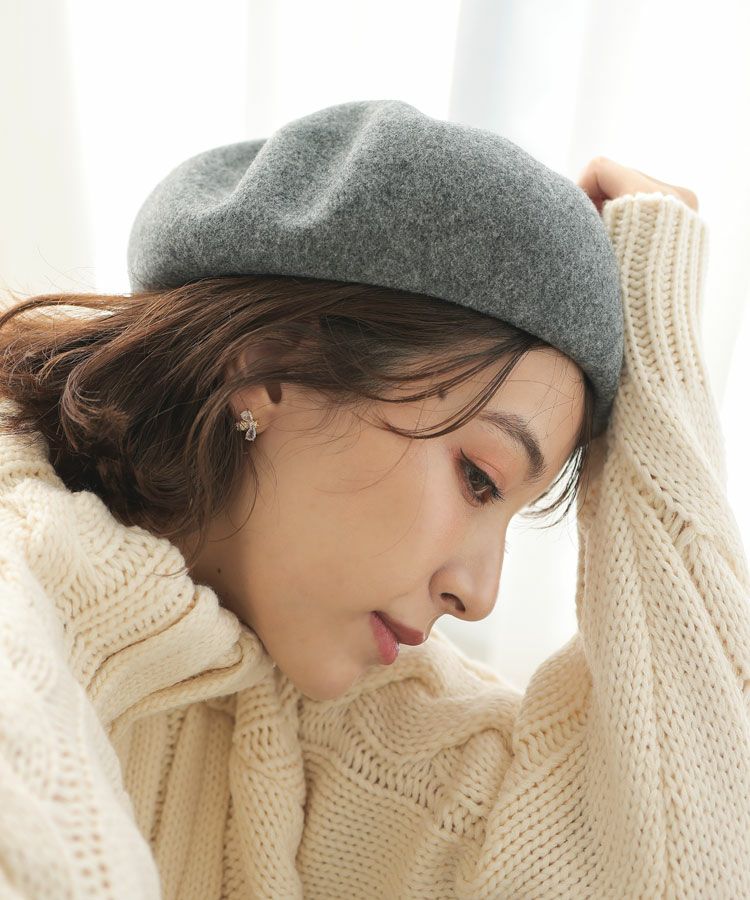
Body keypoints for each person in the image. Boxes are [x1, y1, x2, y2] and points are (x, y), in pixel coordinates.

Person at [0, 110, 747, 899]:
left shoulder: (326, 711)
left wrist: (661, 374)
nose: (480, 595)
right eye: (479, 478)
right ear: (268, 371)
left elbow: (684, 872)